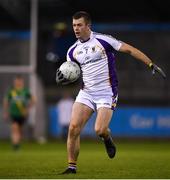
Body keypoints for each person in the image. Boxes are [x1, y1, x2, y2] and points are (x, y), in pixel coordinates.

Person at [56, 11, 166, 174]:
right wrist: (65, 78)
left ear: (88, 25)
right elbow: (72, 72)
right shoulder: (72, 51)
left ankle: (107, 138)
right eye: (74, 25)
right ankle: (72, 167)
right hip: (86, 92)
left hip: (106, 92)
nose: (76, 28)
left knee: (99, 130)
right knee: (73, 128)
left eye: (79, 25)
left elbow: (129, 49)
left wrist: (150, 64)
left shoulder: (103, 40)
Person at [3, 75, 35, 151]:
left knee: (19, 130)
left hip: (22, 114)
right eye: (16, 81)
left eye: (19, 81)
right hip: (13, 113)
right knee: (15, 128)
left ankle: (17, 144)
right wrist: (6, 112)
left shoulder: (25, 91)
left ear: (22, 82)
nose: (18, 82)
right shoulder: (11, 91)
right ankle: (15, 146)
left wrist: (27, 109)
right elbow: (6, 101)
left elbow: (33, 100)